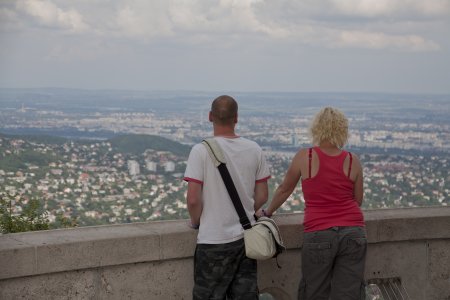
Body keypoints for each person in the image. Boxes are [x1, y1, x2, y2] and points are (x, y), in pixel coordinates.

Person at [259, 107, 366, 300]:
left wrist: (267, 212)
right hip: (353, 232)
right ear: (342, 130)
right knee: (349, 293)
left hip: (318, 233)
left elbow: (284, 189)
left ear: (317, 129)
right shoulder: (352, 161)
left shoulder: (305, 157)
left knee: (314, 291)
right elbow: (357, 200)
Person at [184, 95, 271, 300]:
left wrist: (197, 221)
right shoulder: (254, 149)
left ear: (210, 117)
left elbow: (193, 199)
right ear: (236, 118)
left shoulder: (200, 151)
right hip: (245, 240)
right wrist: (246, 211)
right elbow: (262, 195)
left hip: (212, 241)